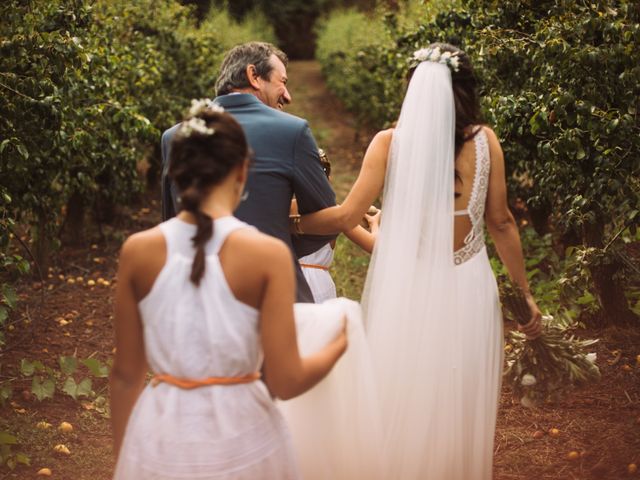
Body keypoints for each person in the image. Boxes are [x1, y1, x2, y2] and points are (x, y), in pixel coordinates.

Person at [295, 43, 543, 479]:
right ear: (465, 89)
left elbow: (348, 216)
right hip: (468, 283)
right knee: (458, 391)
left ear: (412, 90)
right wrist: (524, 294)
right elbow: (502, 223)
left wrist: (293, 223)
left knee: (404, 388)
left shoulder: (390, 143)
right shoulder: (485, 142)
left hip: (407, 286)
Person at [110, 104, 347, 479]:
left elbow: (125, 376)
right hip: (247, 441)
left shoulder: (137, 251)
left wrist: (129, 458)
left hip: (160, 442)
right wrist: (338, 346)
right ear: (242, 171)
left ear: (175, 172)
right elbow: (285, 380)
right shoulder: (268, 254)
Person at [161, 41, 337, 303]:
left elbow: (172, 218)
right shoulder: (293, 131)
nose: (287, 96)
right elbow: (324, 224)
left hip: (195, 294)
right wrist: (278, 229)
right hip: (270, 293)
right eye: (282, 81)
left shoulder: (172, 137)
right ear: (254, 76)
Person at [295, 149, 381, 302]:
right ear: (328, 179)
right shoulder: (336, 213)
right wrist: (374, 224)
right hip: (317, 286)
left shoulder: (284, 207)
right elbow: (375, 246)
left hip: (286, 278)